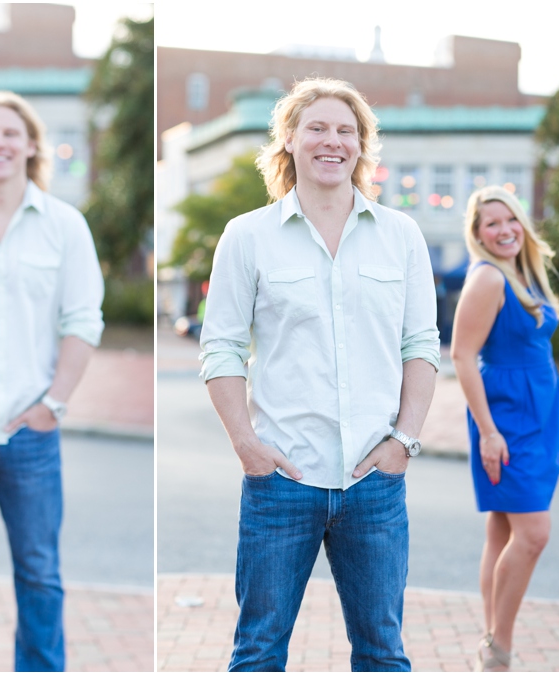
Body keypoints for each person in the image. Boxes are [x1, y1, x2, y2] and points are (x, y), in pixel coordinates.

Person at [200, 77, 440, 671]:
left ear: (361, 146)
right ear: (289, 139)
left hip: (374, 483)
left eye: (345, 130)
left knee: (383, 652)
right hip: (282, 479)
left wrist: (403, 441)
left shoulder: (402, 236)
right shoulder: (247, 236)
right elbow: (222, 348)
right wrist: (246, 445)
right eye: (317, 128)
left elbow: (422, 344)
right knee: (257, 652)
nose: (331, 141)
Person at [0, 91, 104, 672]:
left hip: (30, 433)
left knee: (39, 571)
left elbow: (84, 319)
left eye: (9, 133)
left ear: (32, 145)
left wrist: (54, 403)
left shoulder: (65, 225)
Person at [450, 186, 559, 672]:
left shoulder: (523, 274)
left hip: (541, 415)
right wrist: (489, 432)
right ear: (478, 235)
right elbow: (461, 355)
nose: (505, 230)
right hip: (508, 419)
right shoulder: (488, 280)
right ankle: (499, 648)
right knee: (534, 533)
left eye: (511, 220)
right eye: (492, 224)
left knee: (502, 530)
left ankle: (490, 642)